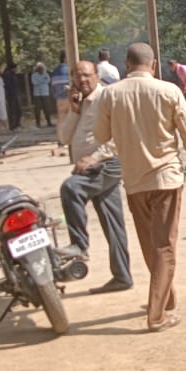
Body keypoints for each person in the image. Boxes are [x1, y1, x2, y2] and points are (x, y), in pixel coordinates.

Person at [94, 43, 186, 333]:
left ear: (127, 65)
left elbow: (100, 135)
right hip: (166, 179)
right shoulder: (169, 91)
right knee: (165, 246)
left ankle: (166, 299)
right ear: (153, 65)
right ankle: (156, 315)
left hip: (134, 182)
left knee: (149, 244)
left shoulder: (110, 94)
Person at [52, 61, 133, 294]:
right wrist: (73, 111)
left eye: (87, 76)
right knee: (113, 223)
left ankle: (79, 245)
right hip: (93, 168)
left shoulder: (107, 97)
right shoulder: (79, 104)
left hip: (106, 164)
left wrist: (95, 158)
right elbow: (65, 138)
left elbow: (120, 134)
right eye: (78, 77)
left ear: (97, 76)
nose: (83, 81)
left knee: (71, 189)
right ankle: (122, 276)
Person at [30, 63, 54, 128]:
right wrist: (43, 81)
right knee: (37, 109)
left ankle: (49, 122)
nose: (41, 69)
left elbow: (48, 81)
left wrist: (40, 81)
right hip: (37, 94)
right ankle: (38, 123)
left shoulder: (46, 74)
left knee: (47, 108)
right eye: (40, 68)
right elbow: (34, 83)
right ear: (37, 69)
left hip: (45, 93)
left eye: (42, 68)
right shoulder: (34, 75)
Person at [51, 53, 72, 127]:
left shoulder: (55, 70)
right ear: (65, 58)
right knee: (71, 119)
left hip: (59, 98)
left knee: (61, 119)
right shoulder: (69, 69)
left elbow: (52, 85)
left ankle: (61, 137)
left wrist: (55, 95)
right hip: (69, 97)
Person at [2, 63, 22, 131]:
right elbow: (7, 85)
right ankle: (12, 126)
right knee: (12, 110)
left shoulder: (13, 74)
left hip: (15, 94)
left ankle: (17, 124)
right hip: (11, 95)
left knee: (18, 110)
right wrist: (8, 95)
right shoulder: (8, 74)